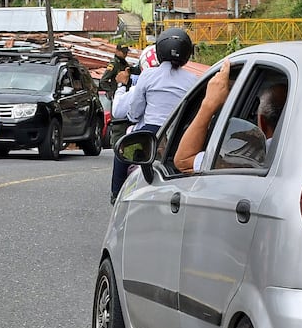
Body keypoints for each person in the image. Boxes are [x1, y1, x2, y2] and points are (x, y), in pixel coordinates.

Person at [110, 28, 197, 202]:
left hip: (150, 134)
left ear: (159, 50)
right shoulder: (192, 79)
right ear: (187, 53)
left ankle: (116, 195)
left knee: (122, 153)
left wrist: (134, 117)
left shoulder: (149, 75)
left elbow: (134, 112)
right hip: (180, 135)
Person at [173, 58, 287, 173]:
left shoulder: (249, 160)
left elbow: (183, 162)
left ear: (262, 122)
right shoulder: (295, 157)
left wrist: (209, 104)